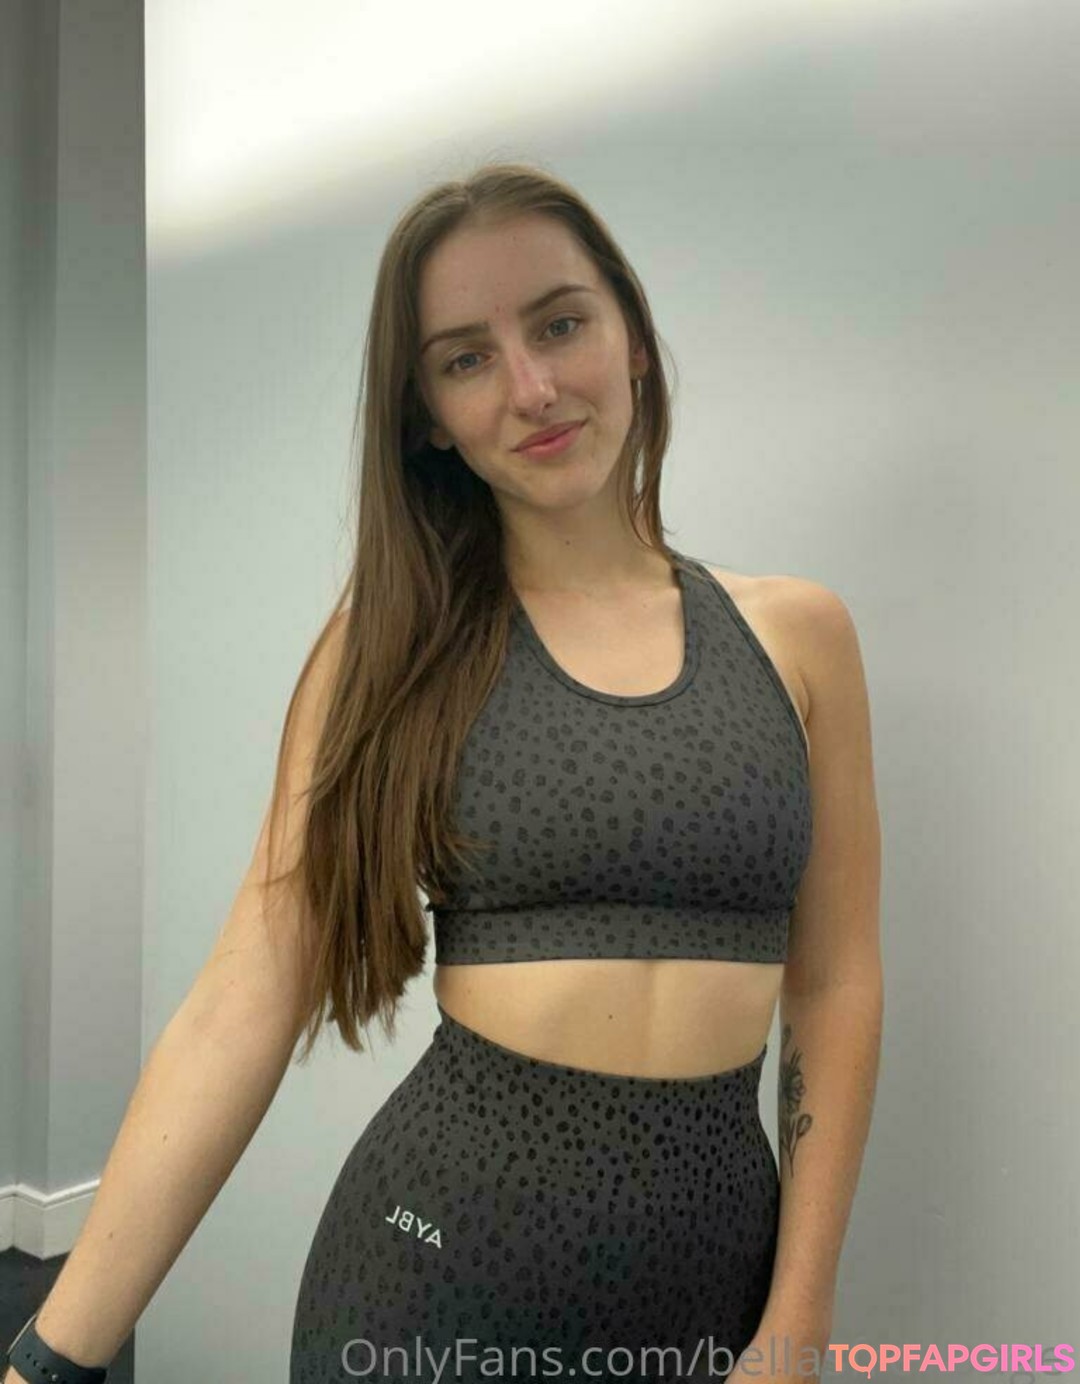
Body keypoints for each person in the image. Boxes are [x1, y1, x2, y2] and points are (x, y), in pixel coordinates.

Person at [5, 162, 883, 1384]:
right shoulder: (391, 653)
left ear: (631, 338)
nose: (532, 387)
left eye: (560, 324)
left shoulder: (798, 637)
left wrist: (797, 1326)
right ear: (427, 414)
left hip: (710, 1304)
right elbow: (243, 1002)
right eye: (467, 359)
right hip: (430, 1287)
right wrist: (51, 1360)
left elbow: (835, 985)